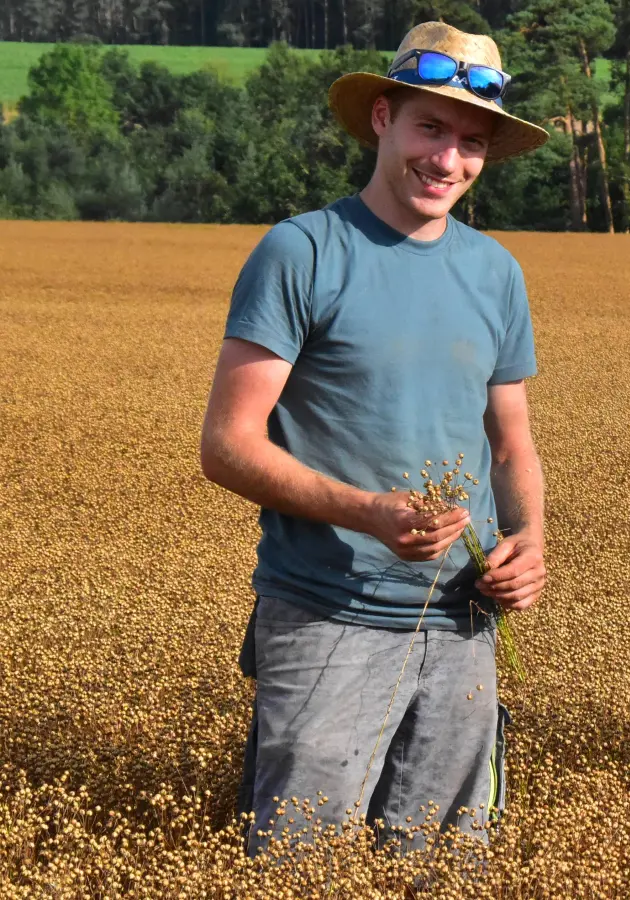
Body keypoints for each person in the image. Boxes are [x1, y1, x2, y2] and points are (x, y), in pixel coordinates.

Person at [199, 21, 550, 855]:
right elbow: (227, 443)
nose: (448, 159)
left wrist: (530, 541)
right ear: (383, 118)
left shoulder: (496, 272)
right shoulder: (302, 252)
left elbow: (511, 445)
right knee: (301, 864)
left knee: (444, 867)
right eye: (431, 127)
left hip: (463, 623)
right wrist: (367, 512)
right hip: (327, 618)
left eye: (471, 141)